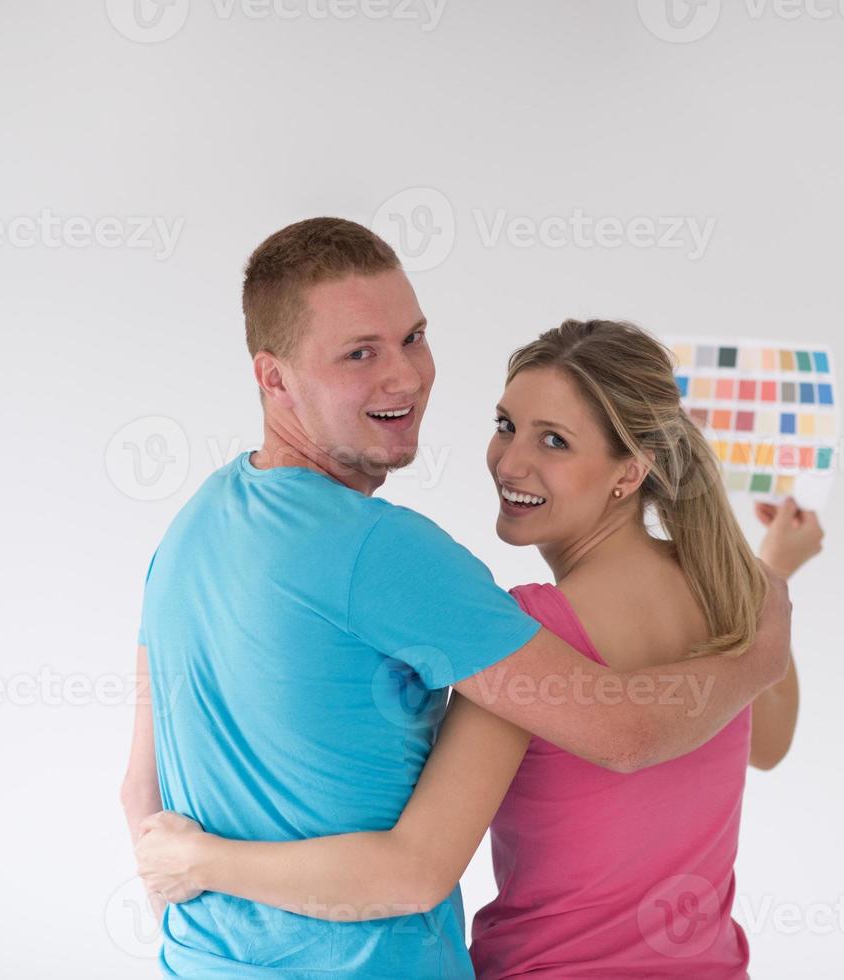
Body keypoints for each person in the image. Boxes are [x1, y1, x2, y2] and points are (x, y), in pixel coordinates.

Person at [119, 221, 793, 978]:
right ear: (273, 379)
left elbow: (139, 796)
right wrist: (762, 647)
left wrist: (204, 882)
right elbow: (623, 737)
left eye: (412, 337)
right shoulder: (388, 552)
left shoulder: (187, 531)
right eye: (358, 354)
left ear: (629, 470)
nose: (404, 377)